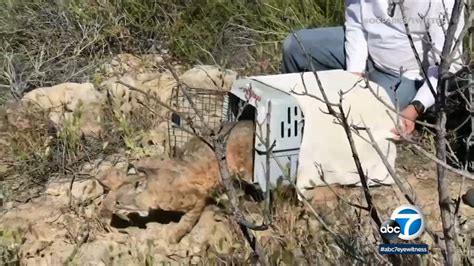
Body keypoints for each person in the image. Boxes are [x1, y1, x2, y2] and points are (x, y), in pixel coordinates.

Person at [281, 0, 464, 138]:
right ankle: (291, 117)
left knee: (362, 119)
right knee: (295, 45)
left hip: (408, 76)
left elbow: (446, 66)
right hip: (367, 55)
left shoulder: (443, 2)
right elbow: (356, 25)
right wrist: (354, 76)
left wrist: (414, 109)